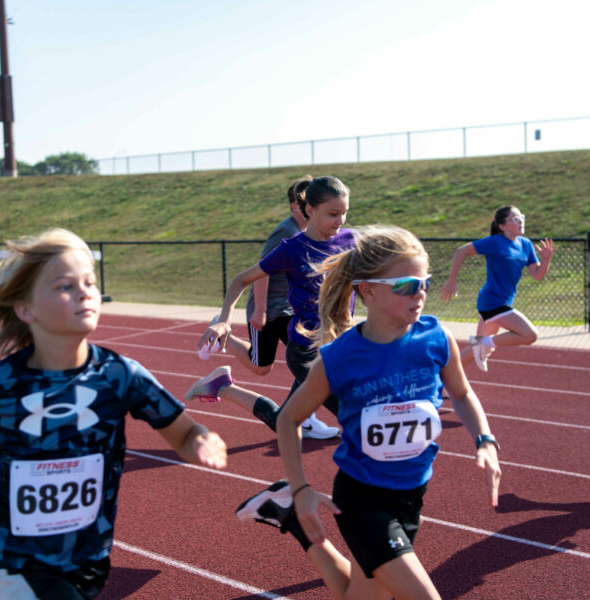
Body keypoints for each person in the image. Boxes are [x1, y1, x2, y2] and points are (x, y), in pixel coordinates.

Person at [194, 225, 501, 600]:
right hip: (363, 500)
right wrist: (302, 488)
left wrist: (485, 440)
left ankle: (291, 520)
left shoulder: (436, 338)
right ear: (367, 291)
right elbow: (289, 418)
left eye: (425, 283)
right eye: (407, 285)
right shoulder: (340, 356)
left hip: (411, 495)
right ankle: (292, 502)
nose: (420, 294)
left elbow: (463, 393)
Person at [0, 229, 227, 600]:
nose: (85, 293)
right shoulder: (1, 381)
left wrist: (202, 441)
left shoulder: (119, 376)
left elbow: (183, 433)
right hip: (12, 560)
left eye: (89, 283)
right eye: (65, 286)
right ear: (25, 309)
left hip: (88, 561)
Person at [194, 175, 357, 440]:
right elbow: (241, 280)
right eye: (333, 214)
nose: (340, 221)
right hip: (305, 351)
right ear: (310, 210)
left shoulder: (351, 240)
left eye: (345, 213)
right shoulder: (291, 248)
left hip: (338, 345)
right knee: (354, 415)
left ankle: (223, 387)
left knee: (285, 423)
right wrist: (225, 319)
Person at [200, 176, 309, 376]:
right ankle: (224, 333)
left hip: (288, 309)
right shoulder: (286, 231)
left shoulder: (308, 231)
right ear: (295, 206)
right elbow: (261, 271)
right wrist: (260, 310)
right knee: (262, 367)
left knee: (307, 359)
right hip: (269, 309)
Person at [439, 206, 556, 371]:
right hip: (492, 302)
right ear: (502, 226)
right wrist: (452, 281)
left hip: (503, 302)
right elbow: (461, 251)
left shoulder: (526, 244)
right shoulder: (494, 242)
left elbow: (537, 275)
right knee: (530, 335)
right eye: (515, 219)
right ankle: (483, 343)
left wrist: (546, 259)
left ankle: (442, 376)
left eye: (521, 217)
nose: (521, 221)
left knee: (476, 351)